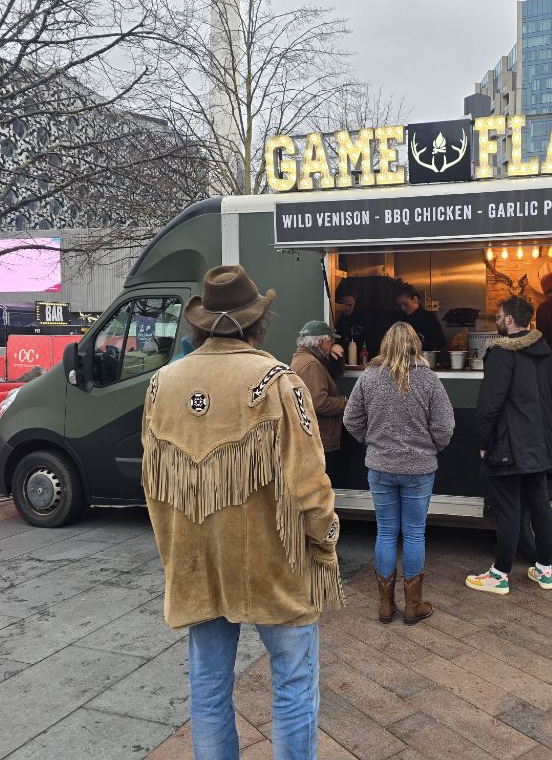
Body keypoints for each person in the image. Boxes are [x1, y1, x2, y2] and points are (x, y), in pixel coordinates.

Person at [141, 265, 343, 760]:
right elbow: (310, 486)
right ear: (257, 322)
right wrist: (325, 542)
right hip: (274, 562)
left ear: (200, 324)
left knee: (208, 686)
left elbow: (153, 483)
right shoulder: (277, 381)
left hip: (197, 561)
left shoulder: (162, 384)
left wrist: (174, 553)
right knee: (294, 682)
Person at [343, 322, 455, 625]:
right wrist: (431, 447)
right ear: (415, 345)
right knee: (414, 534)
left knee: (386, 532)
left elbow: (351, 419)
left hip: (380, 467)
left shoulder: (369, 377)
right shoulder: (429, 380)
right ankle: (413, 606)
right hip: (419, 468)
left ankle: (385, 606)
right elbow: (445, 427)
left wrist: (372, 442)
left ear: (385, 345)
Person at [466, 295, 552, 596]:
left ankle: (499, 574)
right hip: (538, 441)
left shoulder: (501, 353)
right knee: (540, 506)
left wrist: (483, 441)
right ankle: (544, 570)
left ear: (509, 319)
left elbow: (489, 404)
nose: (496, 320)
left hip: (508, 444)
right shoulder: (545, 350)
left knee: (508, 511)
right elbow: (551, 394)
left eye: (498, 316)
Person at [290, 320, 347, 458]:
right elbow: (320, 403)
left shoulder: (303, 358)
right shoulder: (312, 364)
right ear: (321, 343)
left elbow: (335, 372)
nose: (332, 344)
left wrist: (334, 354)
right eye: (330, 342)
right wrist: (345, 403)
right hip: (320, 440)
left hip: (312, 438)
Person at [395, 282, 446, 353]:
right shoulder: (400, 318)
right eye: (400, 305)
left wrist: (416, 347)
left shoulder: (428, 318)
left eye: (405, 304)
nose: (402, 308)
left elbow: (441, 342)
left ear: (415, 299)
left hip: (424, 357)